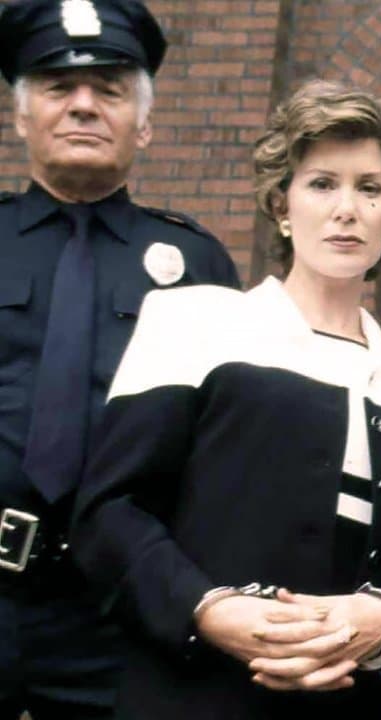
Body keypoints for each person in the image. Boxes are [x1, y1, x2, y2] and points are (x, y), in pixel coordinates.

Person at [69, 80, 381, 719]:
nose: (347, 209)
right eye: (321, 184)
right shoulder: (192, 323)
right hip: (188, 699)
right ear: (281, 205)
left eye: (370, 188)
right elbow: (110, 512)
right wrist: (209, 609)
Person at [0, 1, 239, 717]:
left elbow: (222, 449)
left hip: (121, 615)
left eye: (108, 90)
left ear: (144, 124)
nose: (83, 106)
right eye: (57, 88)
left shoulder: (196, 262)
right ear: (20, 117)